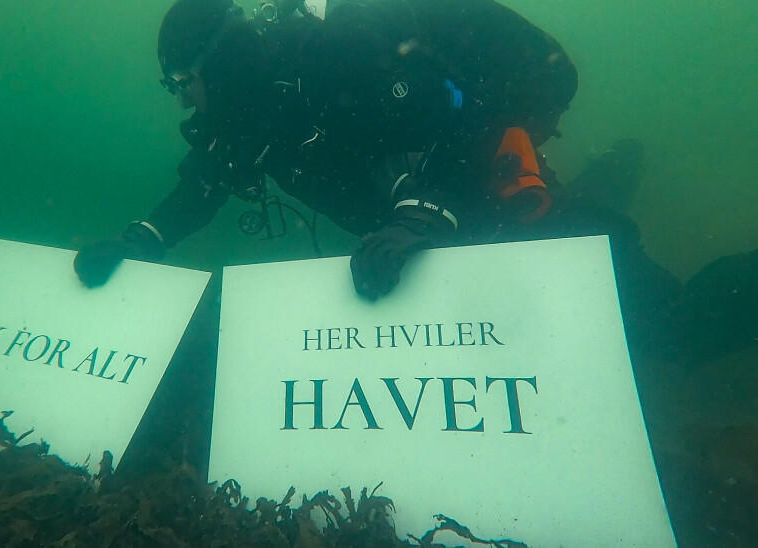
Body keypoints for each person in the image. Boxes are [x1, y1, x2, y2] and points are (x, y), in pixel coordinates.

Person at [74, 0, 755, 361]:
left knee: (670, 333)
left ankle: (616, 186)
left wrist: (417, 218)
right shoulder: (245, 111)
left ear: (210, 63)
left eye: (177, 80)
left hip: (491, 211)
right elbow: (201, 188)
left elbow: (457, 125)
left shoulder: (339, 57)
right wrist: (137, 242)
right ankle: (616, 169)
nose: (178, 97)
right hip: (420, 243)